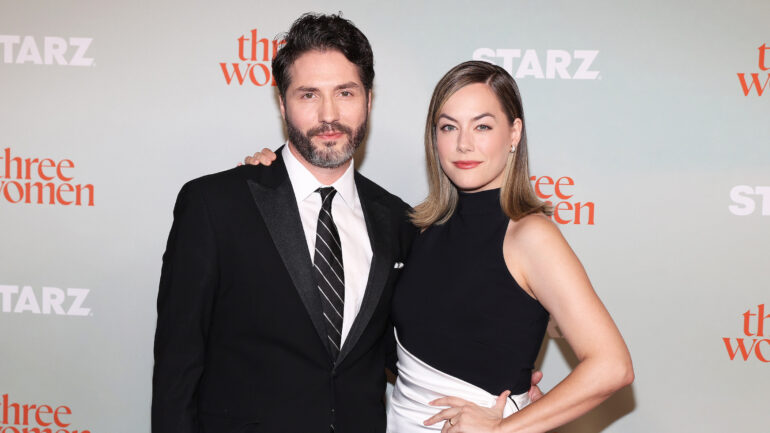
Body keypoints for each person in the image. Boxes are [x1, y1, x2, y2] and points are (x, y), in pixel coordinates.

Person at [247, 61, 633, 433]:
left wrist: (510, 426)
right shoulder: (417, 227)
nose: (464, 144)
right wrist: (275, 178)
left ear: (514, 133)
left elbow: (612, 366)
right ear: (434, 137)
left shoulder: (530, 235)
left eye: (482, 126)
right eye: (449, 127)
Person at [152, 13, 417, 433]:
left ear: (368, 99)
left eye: (345, 93)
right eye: (309, 95)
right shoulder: (214, 205)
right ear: (282, 103)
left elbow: (405, 351)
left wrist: (498, 380)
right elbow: (177, 364)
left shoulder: (400, 221)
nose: (329, 115)